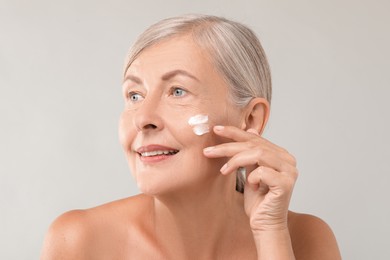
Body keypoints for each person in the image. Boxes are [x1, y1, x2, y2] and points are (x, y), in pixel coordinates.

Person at [41, 14, 341, 259]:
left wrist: (270, 234)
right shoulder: (79, 240)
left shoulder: (306, 240)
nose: (143, 119)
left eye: (178, 91)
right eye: (134, 95)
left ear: (250, 119)